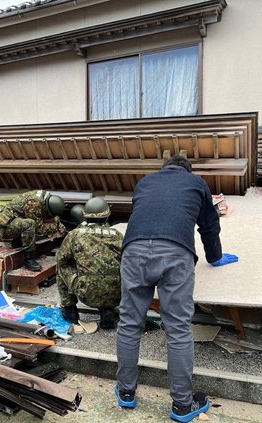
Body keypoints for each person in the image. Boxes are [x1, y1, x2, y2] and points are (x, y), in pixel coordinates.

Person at [115, 155, 238, 422]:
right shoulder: (196, 183)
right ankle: (183, 404)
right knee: (178, 328)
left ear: (164, 169)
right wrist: (215, 257)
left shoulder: (145, 182)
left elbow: (141, 214)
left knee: (129, 323)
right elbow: (209, 225)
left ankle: (126, 393)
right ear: (187, 170)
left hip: (134, 250)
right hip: (175, 252)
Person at [56, 197, 123, 330]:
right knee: (109, 271)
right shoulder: (117, 234)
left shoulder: (75, 235)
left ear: (85, 216)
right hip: (117, 295)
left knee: (61, 265)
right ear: (107, 216)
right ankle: (107, 313)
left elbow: (62, 259)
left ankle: (70, 311)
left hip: (86, 293)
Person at [0, 190, 65, 271]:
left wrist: (57, 223)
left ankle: (18, 241)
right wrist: (54, 227)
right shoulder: (34, 203)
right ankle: (29, 258)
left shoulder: (45, 198)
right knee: (30, 224)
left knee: (29, 223)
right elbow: (38, 229)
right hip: (4, 227)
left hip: (16, 220)